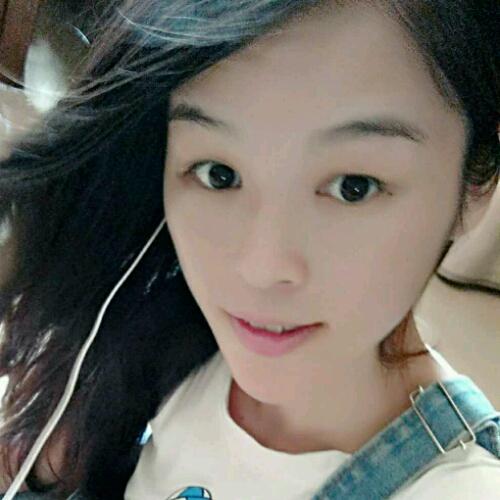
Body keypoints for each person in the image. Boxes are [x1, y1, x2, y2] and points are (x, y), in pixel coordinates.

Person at [0, 1, 499, 499]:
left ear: (475, 184)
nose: (260, 268)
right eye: (219, 174)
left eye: (354, 187)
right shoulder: (160, 335)